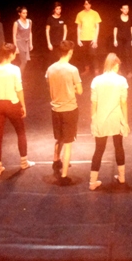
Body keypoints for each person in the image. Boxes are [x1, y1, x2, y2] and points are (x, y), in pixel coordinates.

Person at [0, 43, 35, 176]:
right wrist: (23, 105)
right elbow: (19, 89)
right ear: (11, 54)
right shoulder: (15, 69)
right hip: (12, 104)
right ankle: (24, 162)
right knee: (20, 132)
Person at [88, 53, 129, 191]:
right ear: (115, 65)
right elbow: (123, 103)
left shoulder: (96, 80)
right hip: (116, 118)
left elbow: (93, 103)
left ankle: (92, 182)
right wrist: (126, 122)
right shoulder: (122, 80)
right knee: (119, 146)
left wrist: (93, 120)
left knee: (99, 150)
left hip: (101, 119)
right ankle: (122, 177)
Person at [46, 40, 83, 184]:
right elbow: (80, 90)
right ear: (70, 52)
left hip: (55, 108)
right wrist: (71, 88)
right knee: (68, 142)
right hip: (69, 109)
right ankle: (64, 176)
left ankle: (56, 160)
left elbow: (49, 84)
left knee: (59, 138)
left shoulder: (50, 69)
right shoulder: (72, 70)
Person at [75, 0, 101, 75]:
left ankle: (96, 70)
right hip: (83, 38)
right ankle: (87, 69)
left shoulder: (95, 13)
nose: (88, 6)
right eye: (86, 4)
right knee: (84, 55)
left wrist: (95, 39)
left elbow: (97, 27)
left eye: (89, 4)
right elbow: (79, 27)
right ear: (84, 5)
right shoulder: (80, 14)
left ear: (91, 4)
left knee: (93, 54)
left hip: (92, 38)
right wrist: (78, 39)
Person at [112, 4, 132, 77]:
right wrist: (115, 39)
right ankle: (119, 70)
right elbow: (115, 28)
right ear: (121, 9)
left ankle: (129, 71)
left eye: (127, 9)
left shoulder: (131, 17)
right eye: (124, 9)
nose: (126, 10)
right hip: (120, 38)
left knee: (128, 55)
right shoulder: (117, 18)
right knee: (119, 54)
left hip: (128, 38)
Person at [12, 6, 33, 77]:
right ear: (19, 13)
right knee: (24, 61)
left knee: (25, 61)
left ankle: (20, 76)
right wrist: (16, 47)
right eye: (23, 13)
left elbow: (30, 32)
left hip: (26, 43)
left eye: (26, 13)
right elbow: (14, 35)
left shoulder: (29, 21)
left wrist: (31, 43)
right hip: (19, 43)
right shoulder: (16, 23)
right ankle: (19, 77)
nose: (25, 14)